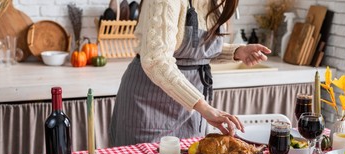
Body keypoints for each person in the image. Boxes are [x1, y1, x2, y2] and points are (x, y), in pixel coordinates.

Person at [109, 0, 271, 146]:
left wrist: (237, 51)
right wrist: (203, 106)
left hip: (191, 106)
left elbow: (196, 50)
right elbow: (156, 59)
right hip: (149, 104)